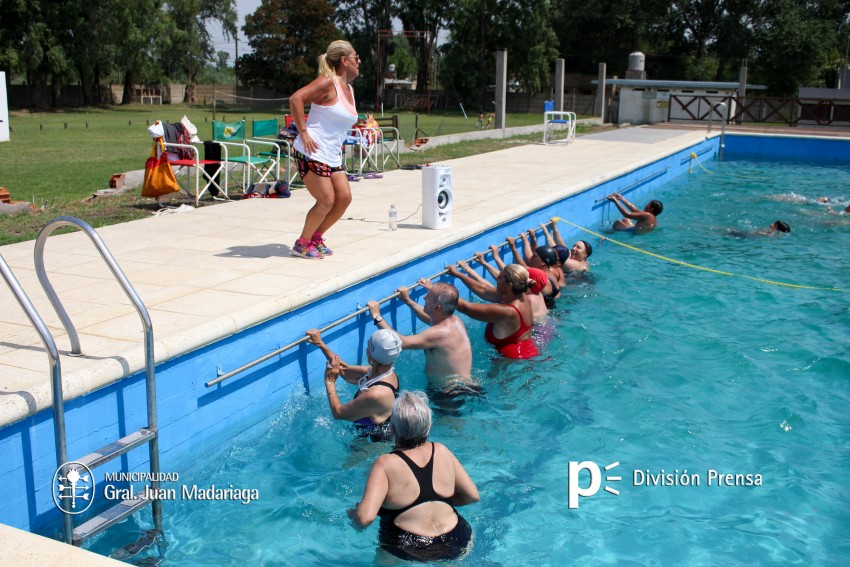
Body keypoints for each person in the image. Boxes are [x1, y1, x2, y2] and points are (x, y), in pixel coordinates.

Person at [348, 390, 479, 562]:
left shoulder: (385, 463)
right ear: (429, 425)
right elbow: (472, 496)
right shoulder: (441, 450)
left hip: (408, 545)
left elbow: (365, 519)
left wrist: (354, 516)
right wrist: (433, 504)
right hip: (458, 538)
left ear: (392, 429)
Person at [289, 40, 360, 259]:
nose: (359, 62)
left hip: (331, 154)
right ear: (344, 61)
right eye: (356, 57)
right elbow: (296, 98)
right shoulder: (328, 82)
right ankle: (301, 244)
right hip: (311, 151)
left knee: (344, 198)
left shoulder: (349, 89)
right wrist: (303, 131)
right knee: (326, 200)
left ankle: (315, 237)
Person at [366, 281, 473, 390]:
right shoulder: (454, 321)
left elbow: (400, 342)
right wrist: (407, 300)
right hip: (463, 386)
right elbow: (430, 318)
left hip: (448, 394)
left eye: (429, 296)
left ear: (437, 308)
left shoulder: (440, 333)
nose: (424, 297)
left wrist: (376, 316)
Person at [306, 328, 402, 441]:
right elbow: (345, 371)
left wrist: (329, 382)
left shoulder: (376, 394)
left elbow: (338, 413)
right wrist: (320, 344)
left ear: (372, 354)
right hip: (367, 432)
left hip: (372, 443)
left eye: (369, 345)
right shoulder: (383, 372)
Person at [448, 263, 539, 359]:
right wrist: (459, 275)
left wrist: (436, 289)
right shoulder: (520, 295)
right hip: (528, 352)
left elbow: (464, 308)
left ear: (508, 285)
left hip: (511, 362)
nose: (497, 279)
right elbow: (482, 290)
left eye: (499, 278)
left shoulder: (507, 311)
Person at [506, 234, 562, 309]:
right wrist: (530, 239)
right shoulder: (551, 272)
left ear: (543, 262)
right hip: (551, 308)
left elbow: (521, 268)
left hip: (543, 316)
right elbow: (533, 260)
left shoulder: (539, 278)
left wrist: (513, 248)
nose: (530, 258)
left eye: (534, 257)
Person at [726, 220, 791, 238]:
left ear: (776, 226)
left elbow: (769, 236)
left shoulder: (773, 231)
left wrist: (759, 233)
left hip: (747, 235)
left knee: (728, 230)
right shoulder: (776, 231)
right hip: (749, 235)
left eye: (774, 223)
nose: (772, 223)